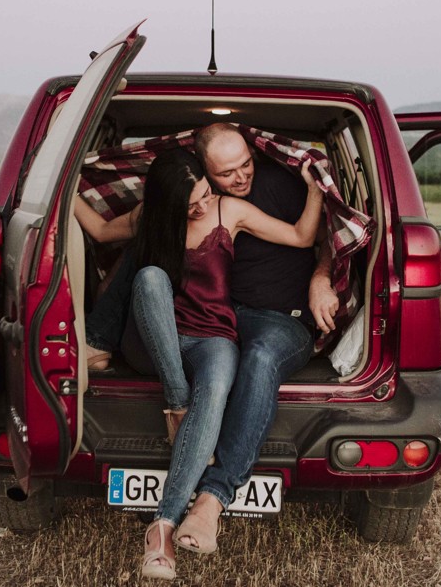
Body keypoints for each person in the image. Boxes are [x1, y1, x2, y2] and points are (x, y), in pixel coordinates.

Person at [74, 148, 323, 580]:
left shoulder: (229, 210)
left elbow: (302, 236)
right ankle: (177, 403)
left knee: (217, 385)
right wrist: (63, 185)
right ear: (169, 203)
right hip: (155, 342)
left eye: (206, 193)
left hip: (213, 338)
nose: (204, 205)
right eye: (192, 204)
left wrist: (316, 190)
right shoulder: (149, 217)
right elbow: (97, 230)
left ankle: (163, 528)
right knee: (149, 276)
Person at [168, 123, 339, 554]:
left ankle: (212, 498)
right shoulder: (194, 201)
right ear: (204, 171)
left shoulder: (279, 183)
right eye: (227, 173)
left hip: (283, 321)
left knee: (260, 356)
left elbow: (323, 239)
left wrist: (320, 279)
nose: (242, 176)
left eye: (246, 164)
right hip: (223, 318)